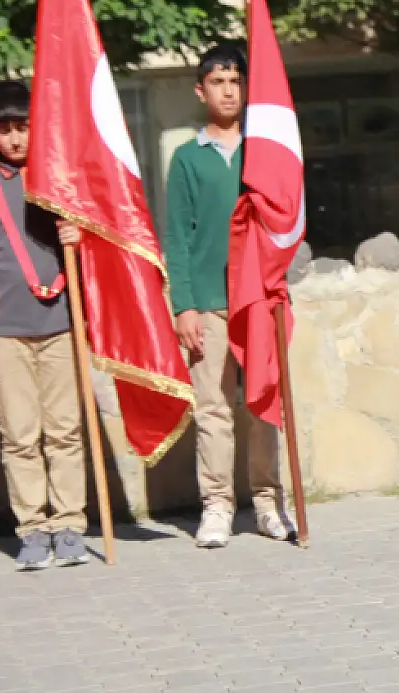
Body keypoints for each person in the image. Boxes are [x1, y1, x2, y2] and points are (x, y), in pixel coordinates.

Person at [0, 81, 89, 570]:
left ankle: (70, 524)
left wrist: (78, 236)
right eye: (4, 129)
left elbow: (96, 251)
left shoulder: (59, 180)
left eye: (23, 127)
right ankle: (33, 529)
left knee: (65, 430)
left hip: (61, 324)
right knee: (19, 435)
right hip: (7, 331)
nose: (15, 138)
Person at [165, 44, 290, 548]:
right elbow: (177, 236)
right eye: (218, 82)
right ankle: (217, 505)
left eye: (236, 81)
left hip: (257, 298)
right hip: (209, 300)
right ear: (201, 91)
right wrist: (184, 305)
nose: (228, 91)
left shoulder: (264, 151)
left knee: (262, 403)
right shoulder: (187, 159)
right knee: (213, 408)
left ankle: (267, 502)